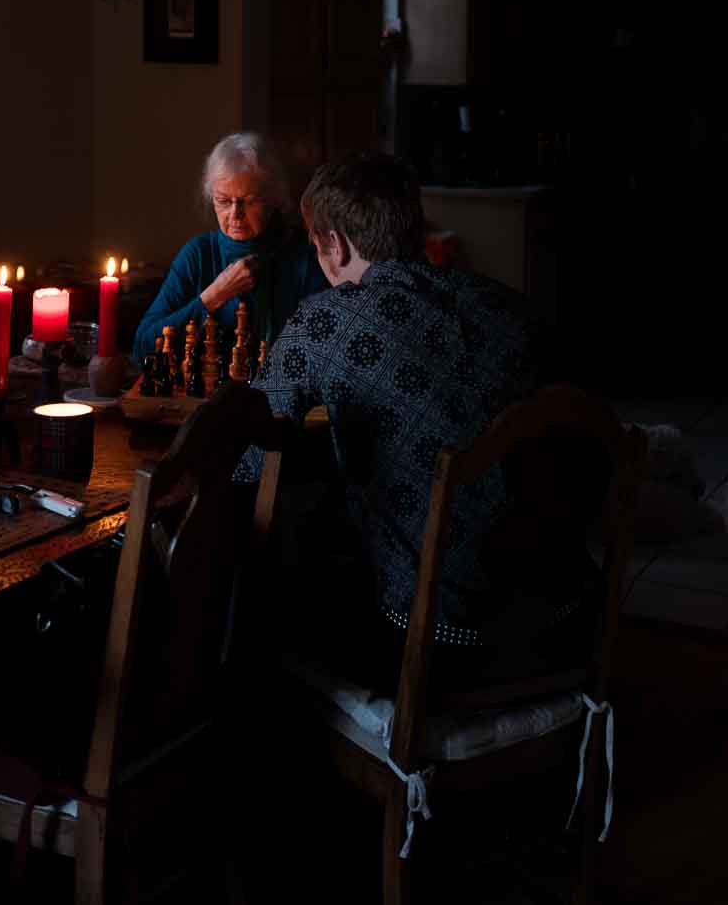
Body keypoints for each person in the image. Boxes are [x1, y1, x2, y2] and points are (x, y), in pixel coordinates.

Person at [238, 152, 593, 691]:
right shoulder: (507, 304)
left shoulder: (323, 320)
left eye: (316, 244)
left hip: (441, 647)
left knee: (280, 587)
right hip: (565, 622)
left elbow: (246, 464)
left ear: (335, 243)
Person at [130, 132, 327, 362]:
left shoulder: (304, 254)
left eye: (250, 201)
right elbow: (142, 347)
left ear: (274, 197)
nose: (236, 215)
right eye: (223, 201)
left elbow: (320, 351)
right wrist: (214, 295)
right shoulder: (199, 254)